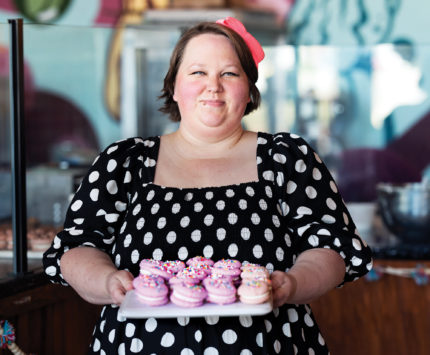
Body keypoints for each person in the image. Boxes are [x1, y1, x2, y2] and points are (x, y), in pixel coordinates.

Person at [43, 17, 372, 354]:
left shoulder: (287, 160)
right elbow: (76, 248)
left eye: (229, 73)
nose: (213, 86)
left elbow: (333, 248)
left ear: (249, 88)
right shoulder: (126, 163)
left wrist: (292, 284)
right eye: (197, 72)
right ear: (174, 86)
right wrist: (107, 281)